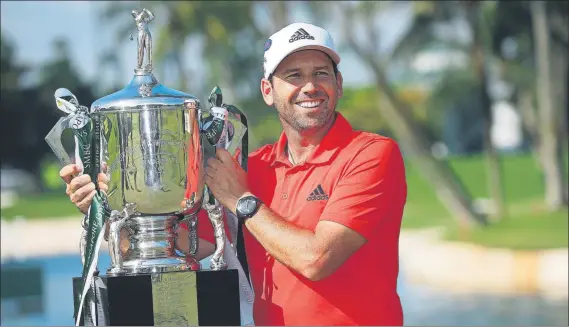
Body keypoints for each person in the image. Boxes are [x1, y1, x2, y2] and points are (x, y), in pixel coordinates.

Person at [60, 22, 407, 326]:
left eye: (321, 73)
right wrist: (103, 213)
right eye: (294, 76)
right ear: (268, 91)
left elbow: (318, 258)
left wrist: (242, 201)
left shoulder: (371, 154)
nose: (310, 86)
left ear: (339, 84)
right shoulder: (250, 167)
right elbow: (184, 249)